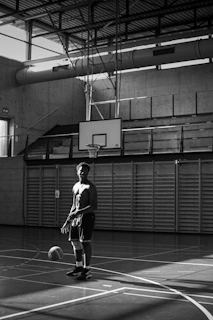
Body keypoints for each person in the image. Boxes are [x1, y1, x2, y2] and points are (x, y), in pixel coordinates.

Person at [61, 162, 97, 280]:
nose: (83, 173)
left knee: (85, 242)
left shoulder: (90, 187)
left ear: (88, 173)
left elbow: (93, 206)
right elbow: (74, 205)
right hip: (76, 217)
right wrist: (68, 220)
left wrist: (79, 212)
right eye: (81, 170)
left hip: (86, 217)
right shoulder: (75, 186)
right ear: (77, 172)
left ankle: (87, 270)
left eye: (85, 171)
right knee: (75, 242)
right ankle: (78, 267)